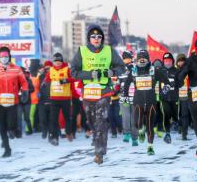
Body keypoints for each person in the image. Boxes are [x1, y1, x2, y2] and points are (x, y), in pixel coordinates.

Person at [71, 24, 124, 165]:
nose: (96, 39)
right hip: (88, 92)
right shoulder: (82, 51)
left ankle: (99, 152)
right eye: (93, 36)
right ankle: (96, 136)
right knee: (91, 120)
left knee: (101, 120)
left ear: (102, 39)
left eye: (99, 36)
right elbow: (73, 72)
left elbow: (121, 67)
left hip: (104, 91)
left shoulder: (109, 51)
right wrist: (89, 74)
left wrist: (112, 72)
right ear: (89, 38)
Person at [0, 46, 29, 157]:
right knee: (1, 126)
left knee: (11, 125)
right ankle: (7, 148)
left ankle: (12, 131)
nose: (4, 58)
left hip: (13, 102)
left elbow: (23, 82)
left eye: (6, 56)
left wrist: (25, 92)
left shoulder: (17, 69)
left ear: (9, 57)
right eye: (2, 56)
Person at [123, 50, 168, 155]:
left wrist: (167, 86)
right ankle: (140, 130)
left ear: (148, 59)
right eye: (140, 58)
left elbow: (166, 81)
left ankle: (150, 147)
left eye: (144, 57)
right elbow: (126, 84)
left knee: (150, 125)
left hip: (151, 101)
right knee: (137, 123)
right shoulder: (133, 71)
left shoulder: (153, 70)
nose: (142, 59)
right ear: (137, 59)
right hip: (138, 101)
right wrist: (125, 95)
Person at [43, 53, 75, 145]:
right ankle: (54, 138)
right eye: (56, 62)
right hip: (54, 98)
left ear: (62, 62)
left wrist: (66, 80)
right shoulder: (51, 70)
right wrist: (44, 83)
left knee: (67, 117)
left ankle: (69, 132)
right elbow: (47, 79)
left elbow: (75, 78)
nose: (57, 63)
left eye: (59, 62)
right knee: (53, 119)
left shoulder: (67, 69)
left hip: (65, 98)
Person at [159, 52, 180, 144]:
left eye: (169, 61)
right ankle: (167, 133)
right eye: (166, 61)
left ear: (172, 61)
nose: (167, 62)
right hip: (164, 98)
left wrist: (174, 84)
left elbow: (181, 82)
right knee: (166, 115)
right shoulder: (160, 71)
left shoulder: (176, 71)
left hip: (175, 97)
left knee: (175, 114)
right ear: (163, 61)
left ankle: (175, 122)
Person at [119, 50, 139, 146]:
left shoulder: (135, 68)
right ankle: (126, 134)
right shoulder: (120, 69)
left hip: (134, 96)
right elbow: (117, 82)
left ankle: (135, 137)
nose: (126, 60)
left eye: (128, 58)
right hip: (123, 96)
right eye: (124, 58)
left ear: (131, 58)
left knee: (134, 117)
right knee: (125, 116)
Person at [176, 54, 191, 140]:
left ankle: (184, 133)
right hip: (177, 97)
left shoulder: (188, 71)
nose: (181, 62)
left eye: (183, 61)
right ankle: (180, 127)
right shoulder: (175, 71)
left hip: (186, 96)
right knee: (179, 115)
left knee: (185, 115)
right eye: (179, 61)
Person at [16, 67, 34, 137]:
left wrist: (26, 90)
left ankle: (30, 130)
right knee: (19, 118)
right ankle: (19, 133)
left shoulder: (28, 80)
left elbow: (33, 89)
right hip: (18, 102)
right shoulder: (15, 80)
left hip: (27, 102)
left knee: (26, 117)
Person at [38, 61, 53, 139]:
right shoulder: (41, 77)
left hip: (52, 99)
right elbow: (38, 87)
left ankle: (51, 133)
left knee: (51, 119)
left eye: (49, 67)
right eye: (46, 67)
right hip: (42, 100)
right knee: (43, 118)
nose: (47, 69)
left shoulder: (54, 76)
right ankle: (44, 131)